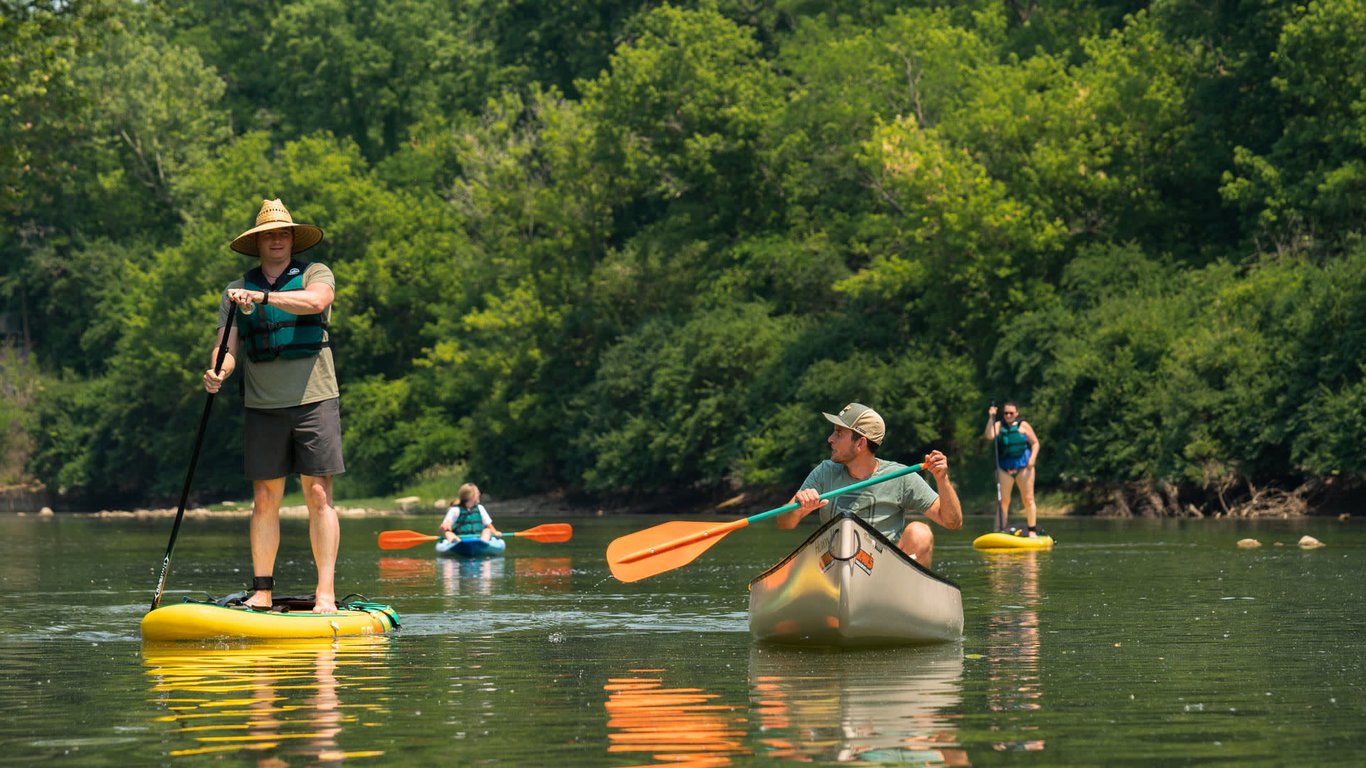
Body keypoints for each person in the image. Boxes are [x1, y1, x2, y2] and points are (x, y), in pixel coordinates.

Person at [203, 198, 343, 613]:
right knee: (265, 499)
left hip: (315, 398)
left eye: (283, 233)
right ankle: (261, 590)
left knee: (318, 493)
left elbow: (316, 302)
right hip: (263, 405)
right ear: (258, 243)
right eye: (269, 235)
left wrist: (263, 299)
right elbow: (226, 348)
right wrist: (217, 372)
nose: (277, 240)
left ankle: (325, 594)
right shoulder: (234, 292)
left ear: (292, 240)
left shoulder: (315, 273)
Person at [777, 403, 962, 568]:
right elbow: (784, 523)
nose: (830, 439)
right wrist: (799, 509)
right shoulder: (824, 472)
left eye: (839, 433)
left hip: (884, 571)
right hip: (830, 565)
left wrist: (942, 479)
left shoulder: (902, 477)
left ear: (860, 443)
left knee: (920, 532)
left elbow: (952, 522)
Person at [984, 402, 1040, 536]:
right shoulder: (998, 425)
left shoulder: (1023, 425)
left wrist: (1032, 460)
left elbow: (1035, 443)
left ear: (1017, 413)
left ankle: (1032, 530)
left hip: (1024, 468)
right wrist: (991, 417)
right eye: (1006, 413)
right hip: (1004, 469)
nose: (1008, 415)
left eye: (1011, 413)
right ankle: (1000, 529)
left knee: (1028, 499)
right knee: (1003, 500)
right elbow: (989, 435)